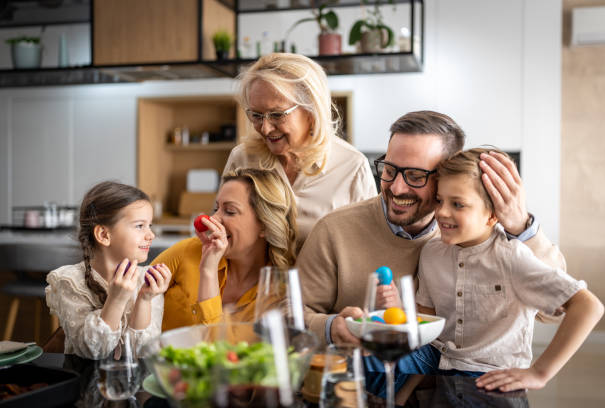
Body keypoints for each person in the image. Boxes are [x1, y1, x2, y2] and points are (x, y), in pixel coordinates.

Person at [298, 111, 567, 346]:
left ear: (444, 178)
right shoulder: (335, 230)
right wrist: (331, 328)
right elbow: (292, 313)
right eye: (390, 170)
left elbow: (556, 311)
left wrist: (522, 227)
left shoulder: (474, 236)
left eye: (415, 176)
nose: (397, 188)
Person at [404, 148, 603, 392]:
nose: (442, 212)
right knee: (367, 363)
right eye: (440, 200)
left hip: (488, 370)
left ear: (492, 216)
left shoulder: (511, 256)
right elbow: (427, 318)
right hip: (436, 358)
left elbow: (589, 306)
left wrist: (540, 373)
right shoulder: (431, 252)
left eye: (458, 204)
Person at [224, 53, 377, 250]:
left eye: (277, 115)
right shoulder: (242, 159)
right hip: (256, 282)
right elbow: (222, 234)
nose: (265, 128)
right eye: (256, 115)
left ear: (311, 109)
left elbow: (367, 249)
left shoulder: (352, 167)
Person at [155, 168, 297, 331]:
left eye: (230, 211)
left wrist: (208, 272)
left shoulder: (278, 294)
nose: (213, 219)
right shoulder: (188, 251)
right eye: (216, 209)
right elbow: (131, 299)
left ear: (265, 225)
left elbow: (216, 350)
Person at [45, 181, 172, 359]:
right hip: (85, 382)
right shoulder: (69, 281)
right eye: (139, 226)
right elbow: (92, 351)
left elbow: (143, 354)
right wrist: (117, 299)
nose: (151, 235)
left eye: (149, 225)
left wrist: (144, 299)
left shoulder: (147, 281)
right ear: (104, 235)